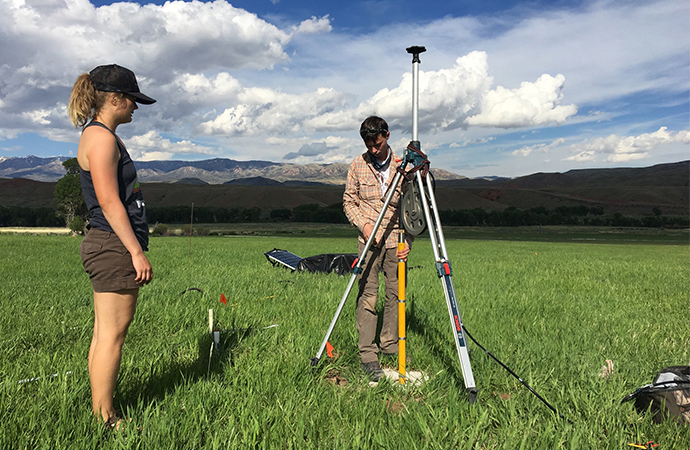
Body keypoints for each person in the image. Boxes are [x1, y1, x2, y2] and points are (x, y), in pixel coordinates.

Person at [67, 64, 155, 429]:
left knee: (105, 334)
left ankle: (100, 411)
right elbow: (109, 201)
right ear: (115, 99)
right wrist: (136, 251)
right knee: (112, 336)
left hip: (105, 242)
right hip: (112, 244)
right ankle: (106, 419)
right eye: (132, 100)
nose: (135, 107)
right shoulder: (102, 139)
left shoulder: (98, 135)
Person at [343, 116, 412, 382]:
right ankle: (368, 355)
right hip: (368, 241)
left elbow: (413, 208)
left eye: (377, 143)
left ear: (387, 135)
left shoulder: (403, 167)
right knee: (368, 295)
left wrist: (409, 242)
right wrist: (364, 225)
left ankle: (390, 345)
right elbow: (349, 201)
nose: (373, 149)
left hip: (397, 239)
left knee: (395, 295)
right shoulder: (358, 165)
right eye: (368, 144)